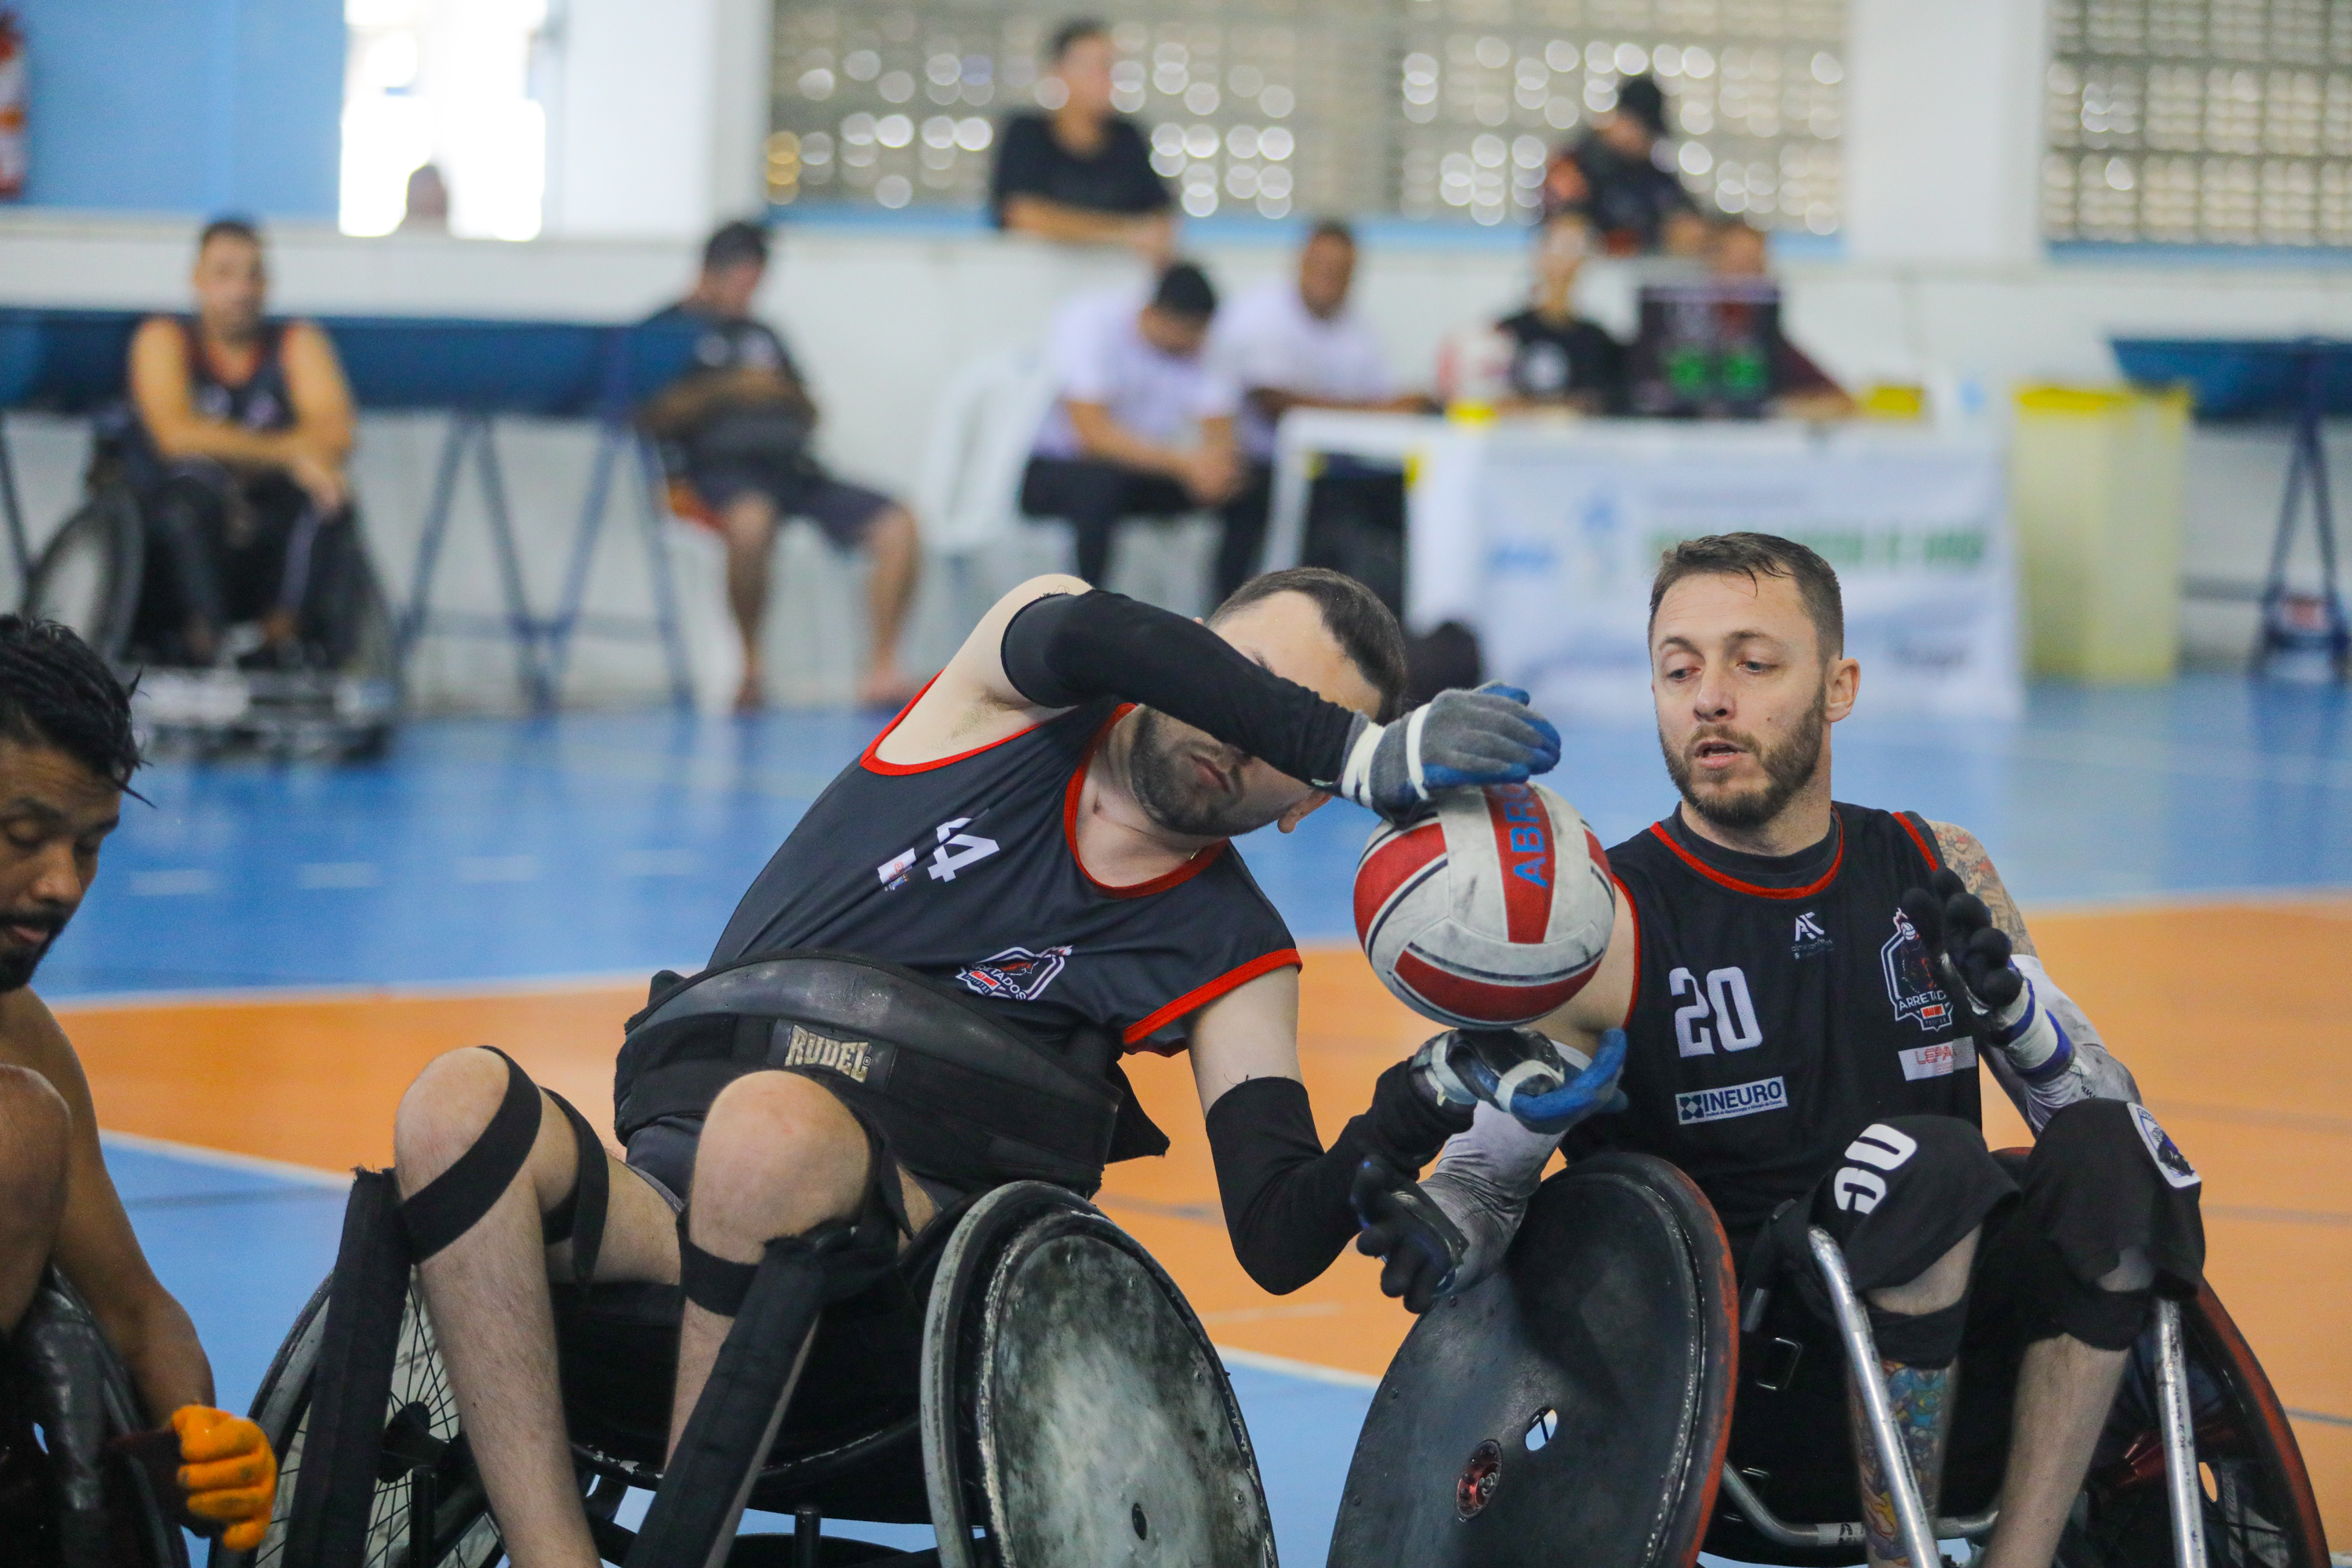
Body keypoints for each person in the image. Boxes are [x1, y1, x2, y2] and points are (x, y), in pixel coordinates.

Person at [385, 566, 1563, 1563]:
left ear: (1306, 810)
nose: (1244, 732)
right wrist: (1354, 746)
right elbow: (1096, 627)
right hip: (664, 1202)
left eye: (1289, 738)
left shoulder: (1234, 952)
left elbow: (1276, 1233)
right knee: (455, 1105)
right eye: (1246, 683)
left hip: (887, 1289)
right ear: (1187, 652)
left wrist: (1421, 1099)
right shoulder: (1003, 695)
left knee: (772, 1131)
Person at [1364, 533, 2203, 1568]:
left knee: (2124, 1156)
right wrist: (1441, 1225)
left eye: (1752, 663)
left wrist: (2025, 1031)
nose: (1710, 698)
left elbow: (2106, 1117)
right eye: (1679, 669)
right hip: (1736, 1405)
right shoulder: (1606, 925)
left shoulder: (1938, 865)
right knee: (1932, 1168)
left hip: (1974, 1386)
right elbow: (1486, 1186)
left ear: (1838, 686)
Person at [0, 616, 278, 1550]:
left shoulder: (19, 1036)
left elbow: (134, 1307)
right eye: (23, 836)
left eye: (87, 845)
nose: (59, 885)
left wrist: (200, 1431)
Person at [641, 221, 921, 711]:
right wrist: (728, 390)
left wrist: (781, 393)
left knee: (899, 524)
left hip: (793, 471)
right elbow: (646, 416)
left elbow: (811, 411)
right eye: (742, 282)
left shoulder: (764, 333)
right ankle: (750, 665)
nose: (749, 295)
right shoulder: (663, 332)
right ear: (710, 273)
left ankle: (882, 667)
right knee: (751, 524)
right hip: (717, 475)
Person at [125, 216, 362, 668]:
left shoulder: (297, 340)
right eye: (225, 273)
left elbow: (338, 434)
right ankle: (208, 647)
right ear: (197, 281)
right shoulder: (163, 338)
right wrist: (293, 454)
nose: (241, 289)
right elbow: (175, 436)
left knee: (328, 497)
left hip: (266, 532)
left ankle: (283, 647)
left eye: (254, 274)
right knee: (189, 495)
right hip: (185, 526)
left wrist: (288, 464)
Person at [1210, 221, 1429, 609]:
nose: (1332, 279)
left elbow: (1383, 405)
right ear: (1301, 262)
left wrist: (1396, 407)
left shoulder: (1358, 329)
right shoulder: (1259, 313)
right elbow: (1274, 404)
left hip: (1336, 469)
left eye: (1342, 271)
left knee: (1410, 499)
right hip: (1259, 463)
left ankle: (1384, 624)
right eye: (1323, 267)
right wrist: (1376, 411)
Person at [1021, 260, 1243, 589]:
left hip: (1145, 472)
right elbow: (1091, 436)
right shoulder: (1092, 322)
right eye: (1186, 334)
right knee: (1100, 483)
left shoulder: (1202, 343)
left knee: (1248, 491)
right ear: (1154, 314)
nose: (1192, 345)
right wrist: (1186, 464)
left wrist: (1217, 469)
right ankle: (1086, 610)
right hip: (1059, 469)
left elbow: (1220, 428)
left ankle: (1228, 615)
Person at [991, 19, 1174, 263]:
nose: (1105, 79)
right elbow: (1023, 216)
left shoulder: (1128, 138)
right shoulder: (1027, 134)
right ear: (1059, 72)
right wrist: (1124, 234)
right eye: (1095, 67)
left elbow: (1161, 222)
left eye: (1110, 67)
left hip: (1114, 288)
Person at [1542, 74, 1708, 256]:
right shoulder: (1576, 165)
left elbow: (1687, 219)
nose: (1647, 141)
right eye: (1641, 129)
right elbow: (1562, 226)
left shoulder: (1651, 175)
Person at [1708, 219, 1857, 420]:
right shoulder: (1683, 335)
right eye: (1736, 263)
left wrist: (1773, 411)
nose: (1743, 277)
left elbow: (1841, 401)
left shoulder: (1767, 338)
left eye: (1753, 265)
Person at [1494, 209, 1626, 414]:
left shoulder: (1597, 341)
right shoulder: (1507, 334)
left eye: (1575, 248)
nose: (1564, 259)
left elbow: (1606, 403)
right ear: (1539, 253)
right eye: (1558, 246)